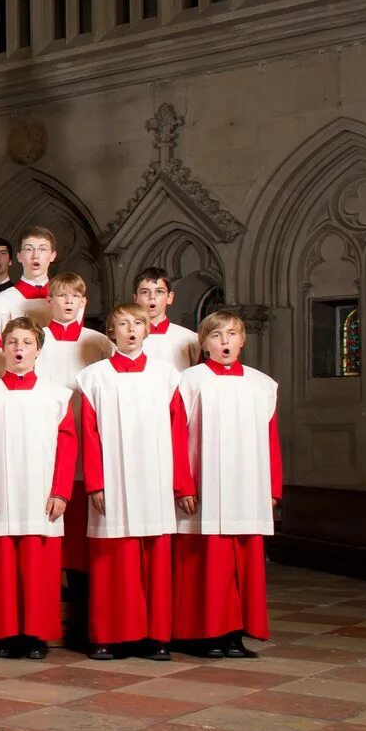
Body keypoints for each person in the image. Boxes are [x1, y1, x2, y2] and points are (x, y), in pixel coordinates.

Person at [78, 304, 185, 661]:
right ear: (111, 332)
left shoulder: (166, 375)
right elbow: (89, 435)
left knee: (154, 560)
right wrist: (95, 483)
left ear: (147, 329)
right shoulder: (94, 377)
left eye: (137, 323)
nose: (130, 329)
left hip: (155, 477)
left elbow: (178, 432)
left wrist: (180, 484)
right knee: (113, 560)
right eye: (122, 324)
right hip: (113, 478)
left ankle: (156, 637)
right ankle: (108, 635)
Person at [172, 310, 280, 659]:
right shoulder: (189, 381)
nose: (225, 342)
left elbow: (271, 439)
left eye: (231, 334)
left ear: (242, 340)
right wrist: (183, 485)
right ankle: (205, 635)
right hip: (205, 489)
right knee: (207, 564)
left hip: (248, 488)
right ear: (203, 343)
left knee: (244, 565)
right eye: (217, 336)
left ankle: (235, 634)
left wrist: (273, 489)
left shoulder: (261, 384)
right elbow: (176, 437)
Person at [0, 317, 76, 659]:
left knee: (38, 568)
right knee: (0, 568)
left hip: (42, 494)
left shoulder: (57, 396)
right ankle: (2, 634)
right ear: (3, 347)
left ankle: (35, 635)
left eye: (27, 343)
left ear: (39, 350)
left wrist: (60, 491)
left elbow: (68, 446)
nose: (19, 349)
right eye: (12, 342)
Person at [34, 272, 113, 583]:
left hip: (87, 435)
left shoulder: (100, 342)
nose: (68, 302)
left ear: (83, 302)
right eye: (61, 296)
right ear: (49, 301)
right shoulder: (36, 338)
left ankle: (82, 592)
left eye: (74, 297)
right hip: (46, 436)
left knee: (83, 522)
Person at [0, 227, 58, 331]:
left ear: (52, 256)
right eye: (29, 249)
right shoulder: (0, 303)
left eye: (42, 249)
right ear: (19, 256)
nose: (35, 256)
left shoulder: (64, 301)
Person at [134, 267, 201, 371]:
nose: (152, 297)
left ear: (170, 297)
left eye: (159, 291)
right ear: (135, 299)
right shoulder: (124, 339)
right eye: (144, 292)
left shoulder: (191, 339)